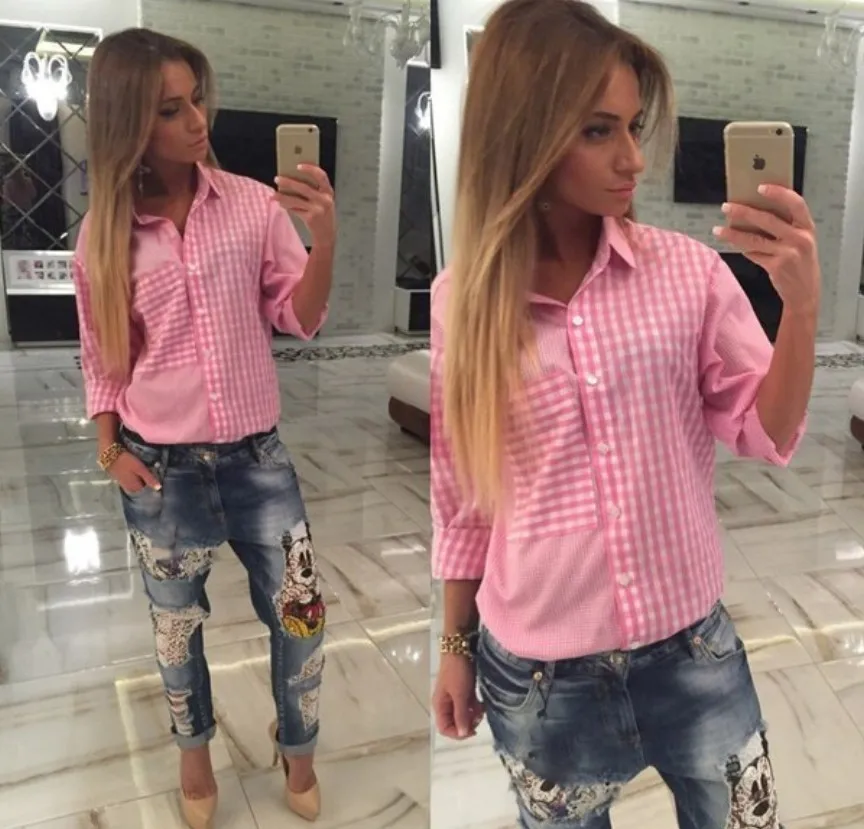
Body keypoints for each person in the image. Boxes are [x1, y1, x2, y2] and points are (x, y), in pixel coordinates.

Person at [430, 2, 818, 828]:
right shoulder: (461, 301)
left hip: (693, 655)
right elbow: (463, 495)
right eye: (599, 131)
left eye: (634, 126)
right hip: (540, 679)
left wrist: (802, 309)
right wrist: (455, 647)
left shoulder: (687, 274)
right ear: (526, 134)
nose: (634, 158)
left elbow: (769, 429)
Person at [74, 29, 336, 829]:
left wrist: (323, 239)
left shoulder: (253, 205)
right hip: (161, 471)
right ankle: (194, 753)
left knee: (302, 613)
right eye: (169, 109)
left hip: (259, 462)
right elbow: (102, 354)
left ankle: (298, 746)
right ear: (128, 121)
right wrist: (110, 448)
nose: (197, 121)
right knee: (175, 627)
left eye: (197, 100)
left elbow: (299, 317)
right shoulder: (105, 233)